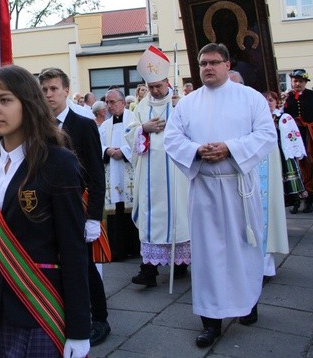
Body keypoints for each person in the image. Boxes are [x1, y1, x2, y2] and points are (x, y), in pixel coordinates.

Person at [0, 65, 90, 358]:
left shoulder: (59, 163)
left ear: (28, 104)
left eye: (5, 100)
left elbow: (73, 250)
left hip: (39, 306)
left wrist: (80, 329)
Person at [164, 43, 276, 348]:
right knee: (208, 255)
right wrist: (196, 150)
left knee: (242, 248)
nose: (207, 68)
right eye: (202, 64)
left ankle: (247, 303)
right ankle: (210, 321)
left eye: (214, 62)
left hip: (239, 186)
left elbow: (267, 135)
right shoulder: (187, 104)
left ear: (228, 65)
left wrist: (230, 148)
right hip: (205, 188)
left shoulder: (250, 98)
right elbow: (172, 139)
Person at [38, 67, 111, 347]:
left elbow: (95, 173)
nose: (49, 95)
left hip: (76, 204)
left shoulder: (83, 125)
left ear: (66, 90)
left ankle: (100, 318)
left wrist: (93, 217)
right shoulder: (39, 126)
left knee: (83, 264)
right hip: (47, 206)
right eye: (44, 90)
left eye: (54, 89)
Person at [125, 46, 190, 287]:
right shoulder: (142, 107)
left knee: (179, 214)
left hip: (176, 172)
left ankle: (181, 263)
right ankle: (149, 269)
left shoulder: (180, 104)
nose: (154, 90)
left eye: (158, 86)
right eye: (151, 87)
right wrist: (144, 129)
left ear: (166, 81)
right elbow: (129, 132)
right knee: (151, 217)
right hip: (150, 171)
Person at [259, 92, 300, 279]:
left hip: (270, 168)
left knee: (267, 215)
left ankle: (266, 265)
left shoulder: (280, 119)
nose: (267, 104)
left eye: (270, 100)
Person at [283, 69, 313, 213]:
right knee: (294, 166)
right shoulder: (287, 97)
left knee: (311, 166)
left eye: (300, 81)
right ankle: (295, 199)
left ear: (305, 82)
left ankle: (309, 199)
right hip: (292, 137)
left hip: (310, 135)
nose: (297, 84)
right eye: (295, 81)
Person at [99, 88, 138, 260]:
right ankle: (117, 251)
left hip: (129, 171)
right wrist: (107, 150)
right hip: (112, 172)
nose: (109, 106)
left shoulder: (134, 120)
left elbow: (139, 141)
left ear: (122, 102)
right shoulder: (105, 125)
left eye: (112, 102)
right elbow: (97, 145)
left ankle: (135, 248)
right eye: (107, 102)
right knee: (115, 211)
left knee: (131, 207)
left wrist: (123, 151)